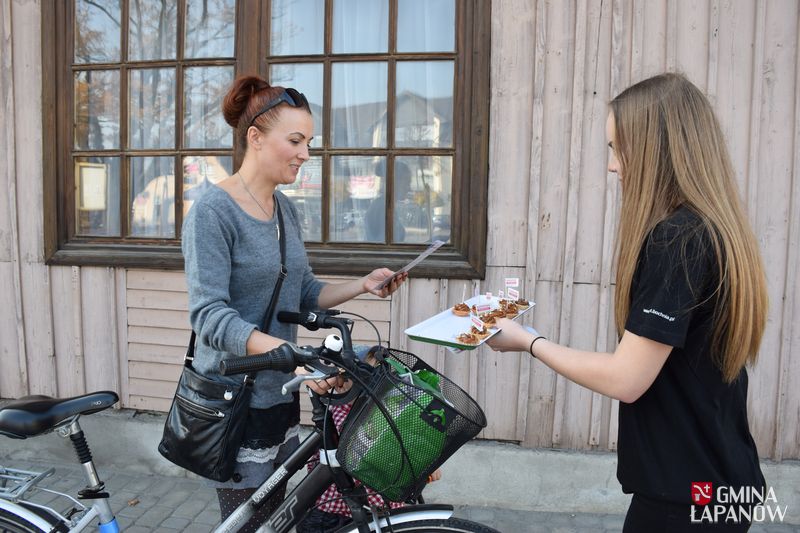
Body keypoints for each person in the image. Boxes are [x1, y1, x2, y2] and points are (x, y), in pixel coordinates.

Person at [486, 73, 768, 532]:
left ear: (658, 150)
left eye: (618, 148)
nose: (612, 166)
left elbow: (627, 379)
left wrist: (528, 341)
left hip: (688, 497)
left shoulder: (678, 240)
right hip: (724, 481)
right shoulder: (714, 229)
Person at [181, 74, 408, 533]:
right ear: (255, 138)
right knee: (248, 525)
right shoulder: (212, 211)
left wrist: (363, 285)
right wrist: (297, 357)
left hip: (279, 392)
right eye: (296, 140)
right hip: (235, 400)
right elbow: (209, 316)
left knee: (279, 520)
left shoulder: (285, 209)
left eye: (309, 143)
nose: (306, 153)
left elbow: (303, 292)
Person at [295, 346, 442, 533]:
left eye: (376, 377)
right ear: (341, 384)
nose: (371, 386)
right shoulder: (342, 416)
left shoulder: (383, 411)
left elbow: (406, 440)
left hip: (375, 510)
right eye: (361, 379)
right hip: (338, 514)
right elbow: (365, 455)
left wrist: (425, 463)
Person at [364, 160, 412, 242]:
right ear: (395, 183)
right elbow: (382, 244)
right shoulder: (382, 207)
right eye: (406, 183)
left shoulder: (385, 205)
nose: (409, 188)